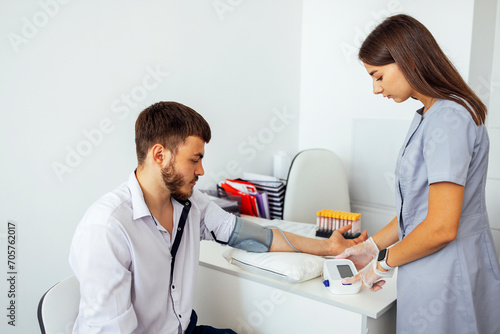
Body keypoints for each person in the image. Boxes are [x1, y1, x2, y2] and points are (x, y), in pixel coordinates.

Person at [69, 101, 368, 334]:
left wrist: (328, 247)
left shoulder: (190, 204)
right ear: (159, 156)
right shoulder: (107, 228)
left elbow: (251, 236)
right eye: (195, 159)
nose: (201, 171)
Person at [336, 14, 500, 334]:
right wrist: (371, 247)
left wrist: (384, 261)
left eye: (378, 76)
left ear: (407, 60)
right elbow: (415, 211)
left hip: (450, 274)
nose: (375, 88)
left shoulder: (449, 118)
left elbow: (440, 227)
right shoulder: (429, 114)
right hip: (430, 271)